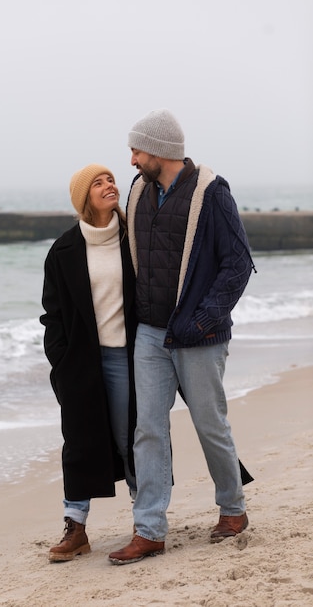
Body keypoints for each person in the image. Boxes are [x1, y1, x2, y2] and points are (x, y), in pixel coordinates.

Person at [108, 109, 256, 565]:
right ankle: (149, 529)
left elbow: (237, 264)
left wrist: (205, 320)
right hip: (150, 335)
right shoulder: (138, 192)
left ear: (159, 150)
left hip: (200, 336)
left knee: (210, 424)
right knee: (148, 429)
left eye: (136, 150)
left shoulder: (212, 193)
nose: (131, 160)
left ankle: (232, 509)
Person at [40, 163, 137, 562]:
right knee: (78, 442)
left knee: (133, 438)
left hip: (126, 358)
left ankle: (145, 521)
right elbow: (52, 313)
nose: (109, 185)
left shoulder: (135, 240)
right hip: (80, 360)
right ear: (85, 198)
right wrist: (60, 361)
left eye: (110, 179)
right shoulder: (63, 250)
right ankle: (75, 527)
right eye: (98, 183)